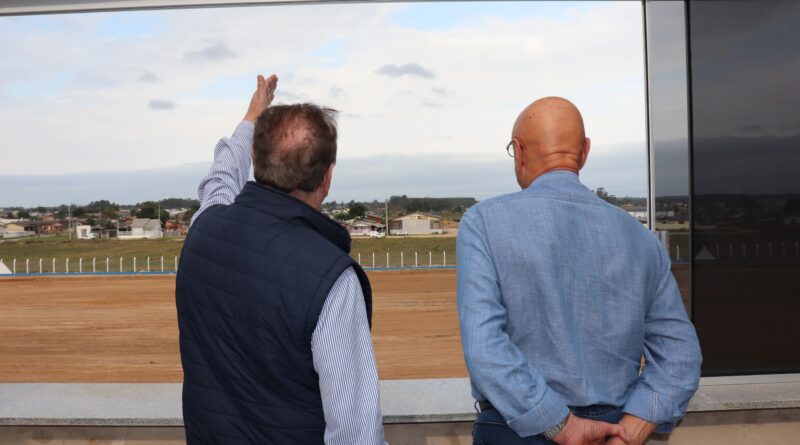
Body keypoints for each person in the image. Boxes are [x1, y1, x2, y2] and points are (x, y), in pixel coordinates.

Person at [457, 97, 702, 445]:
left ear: (520, 150)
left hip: (516, 433)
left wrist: (563, 426)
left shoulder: (483, 222)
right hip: (614, 430)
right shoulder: (642, 239)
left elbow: (485, 347)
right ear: (584, 152)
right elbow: (680, 357)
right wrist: (630, 432)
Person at [175, 74, 387, 444]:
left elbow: (220, 177)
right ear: (328, 178)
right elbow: (355, 432)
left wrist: (252, 116)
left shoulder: (203, 229)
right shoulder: (332, 278)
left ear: (256, 159)